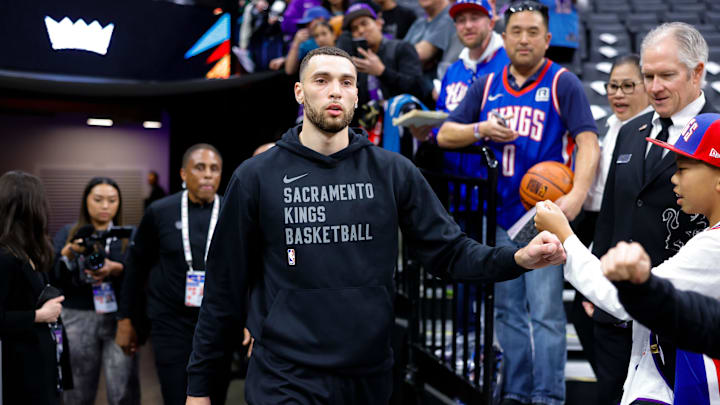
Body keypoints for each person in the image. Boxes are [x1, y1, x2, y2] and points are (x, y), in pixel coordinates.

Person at [185, 46, 567, 405]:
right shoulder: (256, 177)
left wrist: (518, 258)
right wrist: (199, 388)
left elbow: (449, 253)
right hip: (285, 376)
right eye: (322, 80)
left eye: (346, 82)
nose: (335, 91)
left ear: (356, 96)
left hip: (368, 376)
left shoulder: (392, 172)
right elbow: (223, 289)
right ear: (300, 93)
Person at [437, 1, 599, 403]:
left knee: (545, 314)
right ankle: (516, 391)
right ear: (503, 37)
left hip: (544, 218)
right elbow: (443, 135)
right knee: (507, 311)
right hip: (499, 216)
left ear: (547, 38)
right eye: (517, 31)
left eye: (533, 32)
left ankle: (547, 396)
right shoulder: (487, 84)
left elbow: (588, 142)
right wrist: (480, 128)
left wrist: (576, 196)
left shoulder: (564, 82)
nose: (524, 39)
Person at [535, 112, 720, 404]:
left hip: (674, 388)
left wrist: (565, 236)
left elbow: (623, 299)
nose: (673, 178)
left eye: (682, 169)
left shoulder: (715, 245)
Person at [589, 21, 715, 402]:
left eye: (666, 75)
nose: (654, 87)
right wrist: (596, 283)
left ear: (698, 73)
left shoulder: (717, 131)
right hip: (615, 307)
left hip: (680, 316)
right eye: (648, 76)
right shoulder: (631, 130)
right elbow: (611, 210)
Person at [116, 144, 233, 405]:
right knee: (177, 395)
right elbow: (136, 267)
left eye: (214, 169)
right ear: (183, 174)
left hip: (217, 324)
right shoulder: (160, 212)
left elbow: (247, 270)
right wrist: (126, 319)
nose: (207, 175)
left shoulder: (231, 211)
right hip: (170, 323)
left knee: (214, 397)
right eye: (199, 167)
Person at [569, 53, 652, 405]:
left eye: (628, 86)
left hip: (631, 245)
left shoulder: (651, 134)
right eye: (612, 87)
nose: (618, 94)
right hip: (600, 229)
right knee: (581, 309)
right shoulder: (612, 129)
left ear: (647, 88)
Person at [52, 177, 139, 405]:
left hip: (118, 316)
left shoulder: (128, 236)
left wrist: (116, 268)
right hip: (78, 315)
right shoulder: (69, 233)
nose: (105, 206)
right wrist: (69, 251)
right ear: (86, 201)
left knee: (122, 387)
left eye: (112, 200)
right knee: (77, 388)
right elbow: (52, 275)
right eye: (98, 200)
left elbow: (142, 275)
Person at [0, 171, 72, 405]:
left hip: (41, 358)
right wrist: (38, 316)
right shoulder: (6, 257)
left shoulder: (31, 248)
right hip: (18, 365)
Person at [403, 0, 462, 103]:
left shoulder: (450, 18)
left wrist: (408, 58)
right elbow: (400, 55)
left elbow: (421, 54)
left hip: (437, 94)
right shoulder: (419, 23)